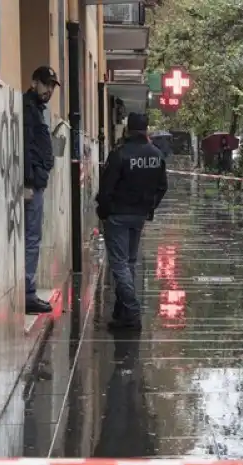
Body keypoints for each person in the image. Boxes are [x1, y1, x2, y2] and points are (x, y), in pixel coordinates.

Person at [97, 113, 168, 330]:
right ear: (146, 130)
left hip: (118, 215)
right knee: (128, 263)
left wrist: (104, 211)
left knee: (119, 264)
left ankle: (132, 310)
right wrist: (150, 207)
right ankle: (123, 312)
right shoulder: (156, 155)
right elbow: (162, 186)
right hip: (139, 216)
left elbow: (106, 187)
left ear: (128, 129)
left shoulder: (120, 154)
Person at [24, 66, 60, 314]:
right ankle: (27, 293)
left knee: (33, 238)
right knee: (31, 239)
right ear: (34, 82)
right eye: (45, 84)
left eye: (51, 86)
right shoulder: (28, 109)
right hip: (32, 183)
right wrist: (28, 182)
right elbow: (26, 145)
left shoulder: (37, 109)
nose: (49, 90)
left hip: (37, 180)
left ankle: (28, 290)